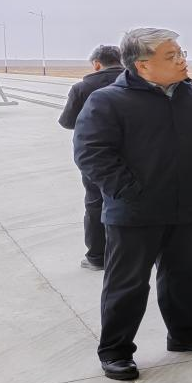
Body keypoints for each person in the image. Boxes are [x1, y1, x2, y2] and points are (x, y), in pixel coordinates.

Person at [73, 28, 192, 381]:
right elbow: (92, 153)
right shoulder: (107, 101)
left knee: (184, 275)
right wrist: (129, 191)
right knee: (128, 283)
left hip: (189, 206)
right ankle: (115, 351)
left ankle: (185, 334)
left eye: (181, 52)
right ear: (142, 65)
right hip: (134, 212)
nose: (181, 60)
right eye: (171, 56)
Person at [59, 44, 125, 271]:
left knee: (96, 203)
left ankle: (97, 257)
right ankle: (132, 254)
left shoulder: (82, 88)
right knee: (130, 201)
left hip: (94, 156)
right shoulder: (137, 83)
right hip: (132, 153)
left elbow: (67, 122)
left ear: (97, 64)